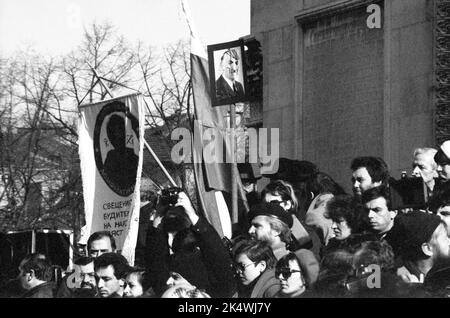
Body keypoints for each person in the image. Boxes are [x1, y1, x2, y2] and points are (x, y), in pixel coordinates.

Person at [145, 191, 236, 298]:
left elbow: (217, 256)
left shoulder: (216, 288)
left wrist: (190, 213)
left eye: (176, 278)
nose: (170, 281)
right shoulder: (168, 288)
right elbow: (156, 263)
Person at [247, 202, 320, 287]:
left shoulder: (291, 264)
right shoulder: (255, 257)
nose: (250, 231)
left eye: (257, 226)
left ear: (276, 230)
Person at [396, 211, 450, 283]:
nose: (449, 241)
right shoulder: (403, 282)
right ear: (427, 249)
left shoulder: (441, 272)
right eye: (445, 237)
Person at [103, 114, 139, 191]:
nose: (118, 136)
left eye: (120, 131)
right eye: (113, 133)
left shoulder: (133, 157)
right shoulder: (110, 157)